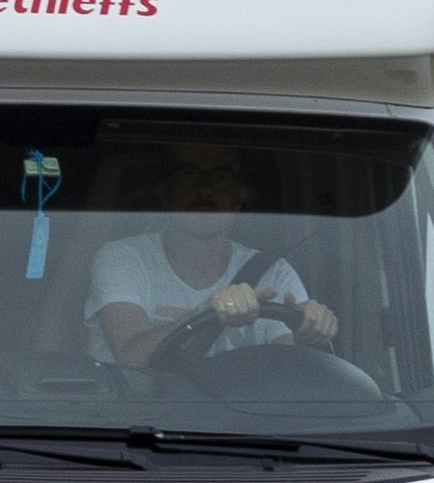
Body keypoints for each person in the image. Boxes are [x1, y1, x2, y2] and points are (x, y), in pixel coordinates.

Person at [89, 141, 337, 367]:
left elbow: (288, 374)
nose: (204, 191)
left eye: (221, 178)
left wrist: (312, 329)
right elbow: (131, 357)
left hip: (238, 416)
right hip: (136, 415)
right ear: (164, 193)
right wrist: (205, 311)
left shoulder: (275, 273)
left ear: (239, 198)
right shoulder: (122, 258)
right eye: (187, 175)